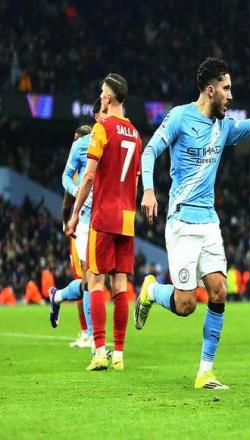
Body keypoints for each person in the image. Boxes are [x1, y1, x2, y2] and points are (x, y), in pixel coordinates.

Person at [136, 57, 250, 390]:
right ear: (210, 89)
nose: (231, 95)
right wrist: (148, 190)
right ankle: (151, 290)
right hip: (182, 221)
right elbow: (149, 152)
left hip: (209, 223)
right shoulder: (179, 117)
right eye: (227, 88)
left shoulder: (224, 127)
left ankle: (205, 372)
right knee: (186, 305)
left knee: (219, 290)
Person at [67, 73, 142, 371]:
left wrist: (75, 213)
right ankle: (119, 355)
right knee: (121, 285)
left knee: (95, 281)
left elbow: (88, 176)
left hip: (103, 214)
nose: (100, 96)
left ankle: (99, 352)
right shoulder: (135, 134)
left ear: (109, 98)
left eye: (101, 92)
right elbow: (135, 181)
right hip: (127, 217)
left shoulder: (102, 128)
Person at [49, 99, 105, 352]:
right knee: (86, 279)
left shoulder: (97, 149)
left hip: (96, 219)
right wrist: (66, 222)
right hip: (79, 223)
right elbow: (66, 199)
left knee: (91, 279)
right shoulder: (80, 158)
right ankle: (88, 334)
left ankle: (59, 296)